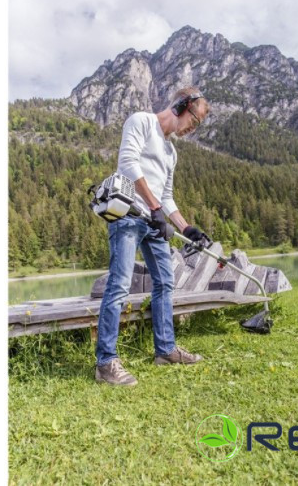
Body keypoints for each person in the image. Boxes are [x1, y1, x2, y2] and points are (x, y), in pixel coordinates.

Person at [95, 87, 212, 386]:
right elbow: (128, 163)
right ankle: (105, 363)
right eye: (194, 120)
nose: (193, 128)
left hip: (154, 222)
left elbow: (167, 196)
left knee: (164, 282)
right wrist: (154, 207)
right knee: (119, 285)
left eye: (198, 125)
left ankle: (165, 350)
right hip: (128, 215)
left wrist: (186, 227)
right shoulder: (141, 121)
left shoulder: (172, 152)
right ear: (181, 105)